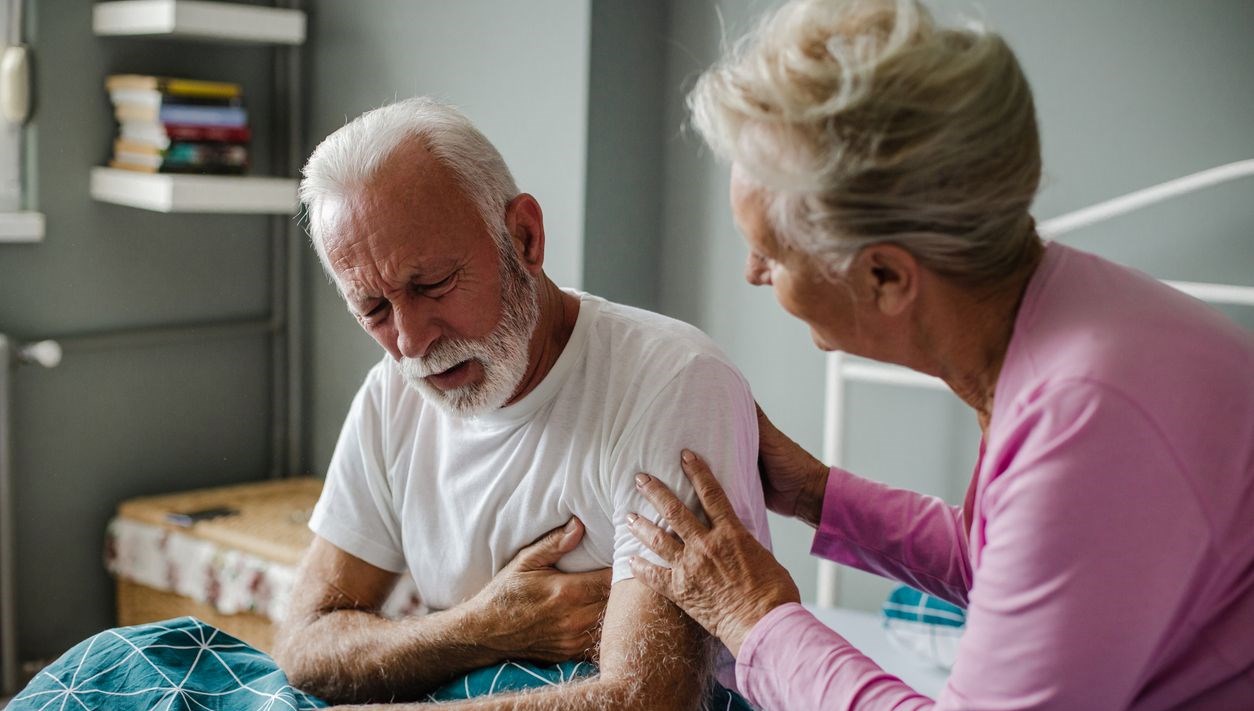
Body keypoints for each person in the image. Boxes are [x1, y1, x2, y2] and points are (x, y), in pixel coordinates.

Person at [622, 0, 1254, 709]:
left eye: (771, 252)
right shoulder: (1067, 308)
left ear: (885, 277)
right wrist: (817, 493)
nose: (752, 274)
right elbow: (1010, 562)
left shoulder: (1091, 415)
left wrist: (757, 618)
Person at [274, 97, 771, 709]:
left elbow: (647, 700)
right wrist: (482, 627)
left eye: (431, 285)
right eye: (373, 310)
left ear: (524, 236)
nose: (410, 341)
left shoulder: (669, 381)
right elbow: (304, 646)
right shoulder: (391, 394)